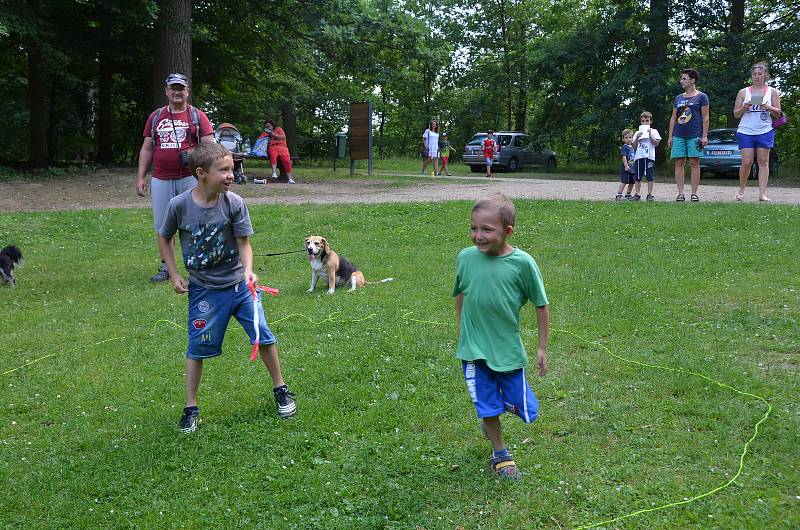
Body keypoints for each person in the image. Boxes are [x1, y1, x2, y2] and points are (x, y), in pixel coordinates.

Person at [157, 142, 296, 433]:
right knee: (197, 349)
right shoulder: (178, 206)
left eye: (232, 169)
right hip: (204, 291)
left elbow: (244, 243)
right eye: (224, 170)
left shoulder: (234, 203)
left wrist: (248, 270)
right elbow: (164, 237)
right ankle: (190, 407)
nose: (231, 175)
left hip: (239, 286)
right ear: (201, 173)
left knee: (264, 335)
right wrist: (173, 273)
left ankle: (281, 389)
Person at [453, 193, 550, 480]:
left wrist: (542, 348)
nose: (477, 236)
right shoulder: (465, 258)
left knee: (528, 410)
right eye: (474, 228)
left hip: (507, 350)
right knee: (486, 404)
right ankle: (500, 453)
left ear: (507, 231)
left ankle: (494, 407)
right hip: (473, 350)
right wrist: (462, 326)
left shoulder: (523, 264)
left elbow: (541, 305)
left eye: (486, 229)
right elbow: (460, 292)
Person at [136, 73, 215, 282]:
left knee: (194, 221)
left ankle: (197, 265)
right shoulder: (155, 117)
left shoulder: (198, 116)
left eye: (181, 88)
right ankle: (166, 267)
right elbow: (146, 149)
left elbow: (210, 145)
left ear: (187, 91)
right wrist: (141, 177)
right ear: (166, 91)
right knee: (164, 225)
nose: (177, 92)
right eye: (173, 88)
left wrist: (211, 172)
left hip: (190, 178)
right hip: (161, 178)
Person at [733, 62, 783, 202]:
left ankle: (762, 194)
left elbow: (778, 113)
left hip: (765, 130)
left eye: (760, 74)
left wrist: (768, 107)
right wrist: (744, 107)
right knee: (747, 162)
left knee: (763, 161)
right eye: (754, 74)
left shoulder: (772, 91)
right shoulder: (743, 92)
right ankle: (741, 190)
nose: (757, 77)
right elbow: (736, 114)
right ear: (751, 76)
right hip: (746, 130)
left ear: (765, 75)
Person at [667, 68, 709, 202]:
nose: (681, 81)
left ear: (692, 80)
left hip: (695, 135)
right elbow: (673, 118)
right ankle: (680, 193)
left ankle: (694, 193)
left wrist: (704, 136)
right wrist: (670, 136)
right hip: (678, 135)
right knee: (679, 162)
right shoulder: (678, 98)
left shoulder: (701, 96)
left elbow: (706, 117)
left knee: (694, 162)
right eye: (681, 78)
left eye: (684, 79)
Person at [632, 111, 662, 201]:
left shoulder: (654, 131)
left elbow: (656, 143)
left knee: (650, 175)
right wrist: (637, 138)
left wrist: (649, 136)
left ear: (650, 121)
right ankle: (637, 194)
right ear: (640, 122)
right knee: (638, 176)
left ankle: (649, 194)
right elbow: (634, 146)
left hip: (649, 157)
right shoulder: (638, 132)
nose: (645, 123)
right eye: (643, 121)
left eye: (647, 121)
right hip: (639, 156)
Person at [264, 119, 296, 184]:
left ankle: (290, 178)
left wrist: (275, 135)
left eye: (269, 126)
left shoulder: (279, 129)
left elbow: (283, 137)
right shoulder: (265, 132)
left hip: (282, 147)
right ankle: (274, 173)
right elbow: (261, 140)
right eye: (266, 127)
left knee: (287, 160)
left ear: (273, 126)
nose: (268, 128)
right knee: (273, 155)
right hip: (272, 146)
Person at [615, 129, 636, 200]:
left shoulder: (633, 147)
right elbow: (624, 157)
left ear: (632, 138)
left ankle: (628, 194)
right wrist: (626, 166)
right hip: (626, 168)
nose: (628, 139)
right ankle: (619, 194)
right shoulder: (625, 147)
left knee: (632, 182)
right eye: (626, 138)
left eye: (630, 137)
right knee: (624, 181)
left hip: (632, 168)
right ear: (623, 139)